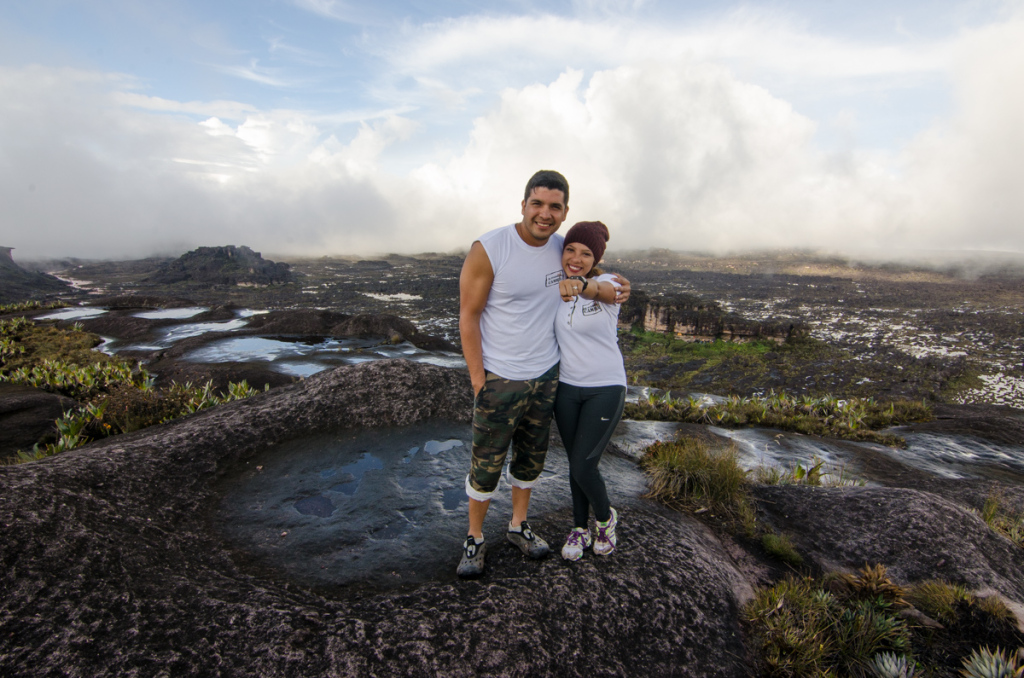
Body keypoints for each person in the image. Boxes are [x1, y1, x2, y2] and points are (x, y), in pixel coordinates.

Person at [457, 171, 629, 578]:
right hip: (501, 377)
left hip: (548, 376)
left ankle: (518, 527)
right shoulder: (491, 248)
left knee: (530, 461)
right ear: (523, 204)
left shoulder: (561, 249)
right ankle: (475, 537)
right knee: (486, 463)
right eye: (537, 204)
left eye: (555, 207)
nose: (545, 214)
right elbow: (469, 314)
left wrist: (618, 287)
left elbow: (597, 276)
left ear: (565, 211)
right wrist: (479, 380)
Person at [552, 221, 627, 561]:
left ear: (595, 258)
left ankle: (605, 520)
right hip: (567, 389)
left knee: (584, 465)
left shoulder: (608, 282)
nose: (577, 257)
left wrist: (583, 285)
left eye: (586, 253)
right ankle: (579, 528)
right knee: (574, 464)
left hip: (605, 387)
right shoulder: (554, 288)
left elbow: (605, 292)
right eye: (571, 250)